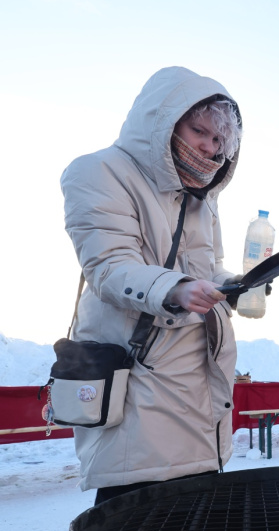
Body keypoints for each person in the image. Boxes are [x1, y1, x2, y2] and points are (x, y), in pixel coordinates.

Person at [61, 67, 243, 504]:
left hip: (199, 377)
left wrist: (236, 284)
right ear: (162, 120)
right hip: (138, 371)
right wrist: (176, 289)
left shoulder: (203, 197)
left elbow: (207, 268)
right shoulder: (99, 171)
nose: (208, 147)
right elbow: (109, 265)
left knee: (196, 529)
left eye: (219, 141)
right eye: (199, 130)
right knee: (133, 520)